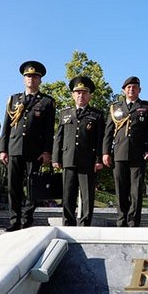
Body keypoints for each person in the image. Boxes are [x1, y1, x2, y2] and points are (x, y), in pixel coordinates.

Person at [0, 61, 55, 232]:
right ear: (24, 79)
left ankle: (27, 218)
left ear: (40, 80)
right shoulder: (14, 100)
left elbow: (48, 129)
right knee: (13, 186)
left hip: (35, 151)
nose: (31, 79)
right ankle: (14, 220)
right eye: (28, 76)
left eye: (35, 76)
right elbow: (6, 127)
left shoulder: (47, 102)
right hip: (14, 148)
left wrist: (46, 150)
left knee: (33, 187)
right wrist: (2, 149)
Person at [103, 76, 148, 227]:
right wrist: (106, 152)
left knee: (136, 191)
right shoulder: (115, 108)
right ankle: (121, 220)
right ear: (123, 90)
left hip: (138, 154)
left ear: (139, 90)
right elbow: (108, 132)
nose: (131, 90)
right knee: (120, 189)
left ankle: (133, 221)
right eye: (128, 87)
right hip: (119, 153)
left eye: (134, 87)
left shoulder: (147, 107)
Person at [52, 76, 105, 226]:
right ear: (73, 95)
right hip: (68, 159)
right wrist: (56, 158)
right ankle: (68, 223)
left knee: (87, 195)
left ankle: (85, 223)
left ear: (89, 95)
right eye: (78, 92)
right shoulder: (65, 113)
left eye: (84, 93)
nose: (81, 95)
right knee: (68, 194)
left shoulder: (97, 115)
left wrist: (98, 159)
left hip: (87, 161)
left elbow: (100, 139)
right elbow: (59, 138)